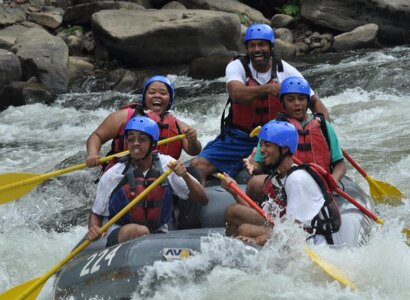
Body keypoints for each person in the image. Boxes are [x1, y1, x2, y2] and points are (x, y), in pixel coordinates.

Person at [190, 23, 329, 183]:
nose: (257, 50)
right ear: (247, 48)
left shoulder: (287, 71)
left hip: (276, 139)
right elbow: (236, 94)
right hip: (238, 137)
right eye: (252, 45)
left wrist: (323, 131)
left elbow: (314, 102)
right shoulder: (237, 66)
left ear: (271, 47)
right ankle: (197, 203)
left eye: (261, 44)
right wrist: (270, 89)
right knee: (198, 165)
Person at [86, 116, 208, 246]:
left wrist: (185, 176)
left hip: (160, 232)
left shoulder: (167, 165)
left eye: (142, 139)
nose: (136, 143)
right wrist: (94, 229)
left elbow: (203, 199)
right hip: (123, 233)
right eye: (131, 139)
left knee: (145, 232)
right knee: (140, 231)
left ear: (153, 144)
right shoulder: (113, 174)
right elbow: (96, 214)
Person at [220, 121, 341, 246]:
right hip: (288, 228)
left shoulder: (296, 179)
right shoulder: (279, 176)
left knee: (244, 230)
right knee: (233, 212)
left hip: (315, 239)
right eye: (261, 145)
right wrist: (234, 192)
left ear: (284, 149)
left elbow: (295, 233)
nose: (261, 150)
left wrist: (258, 240)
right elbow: (267, 217)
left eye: (267, 145)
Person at [244, 76, 346, 202]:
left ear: (308, 102)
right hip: (285, 185)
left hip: (319, 185)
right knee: (255, 183)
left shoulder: (323, 126)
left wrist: (332, 181)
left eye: (301, 99)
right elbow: (259, 165)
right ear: (283, 103)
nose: (297, 103)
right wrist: (254, 166)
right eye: (291, 99)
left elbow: (340, 165)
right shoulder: (272, 127)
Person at [86, 75, 202, 169]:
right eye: (152, 92)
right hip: (123, 173)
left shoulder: (179, 126)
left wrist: (193, 141)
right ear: (145, 97)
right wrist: (92, 154)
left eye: (163, 93)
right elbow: (97, 136)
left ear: (170, 99)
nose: (157, 95)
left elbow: (194, 151)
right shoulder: (124, 116)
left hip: (161, 177)